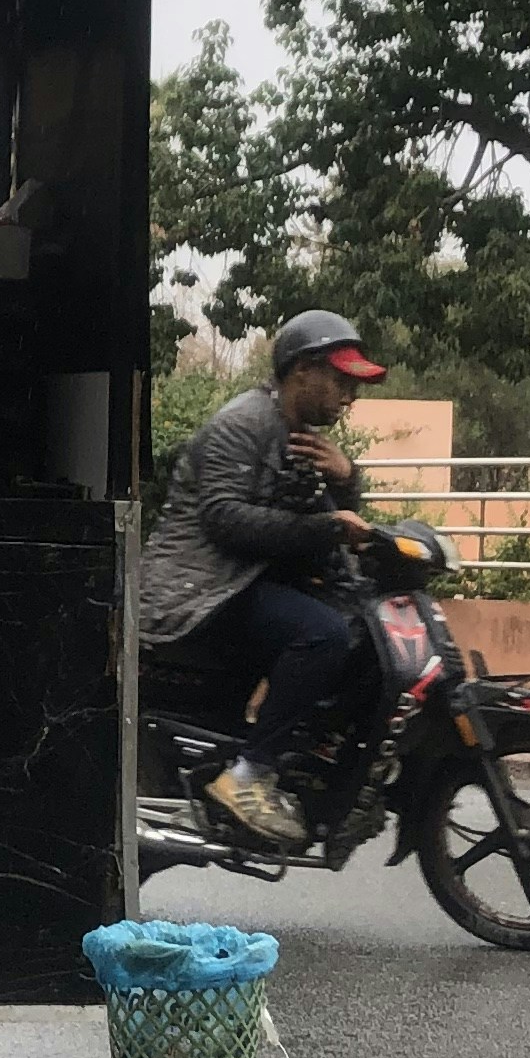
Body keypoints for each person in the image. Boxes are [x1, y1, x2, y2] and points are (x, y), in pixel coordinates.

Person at [139, 309, 388, 848]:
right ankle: (252, 772)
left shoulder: (297, 434)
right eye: (341, 380)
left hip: (237, 582)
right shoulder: (245, 422)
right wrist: (326, 527)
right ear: (302, 370)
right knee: (322, 632)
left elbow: (321, 515)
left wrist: (347, 480)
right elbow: (223, 518)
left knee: (354, 626)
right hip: (196, 590)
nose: (350, 396)